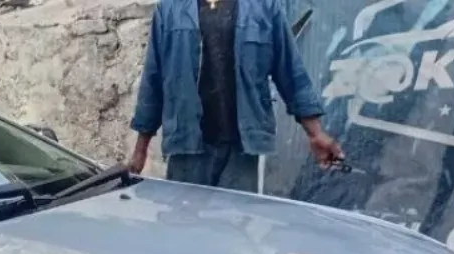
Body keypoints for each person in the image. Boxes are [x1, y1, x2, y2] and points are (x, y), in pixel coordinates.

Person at [126, 0, 344, 191]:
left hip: (241, 151)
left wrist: (316, 133)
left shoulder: (264, 7)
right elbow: (153, 80)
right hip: (187, 147)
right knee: (184, 222)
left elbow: (290, 72)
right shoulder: (169, 9)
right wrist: (140, 150)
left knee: (235, 222)